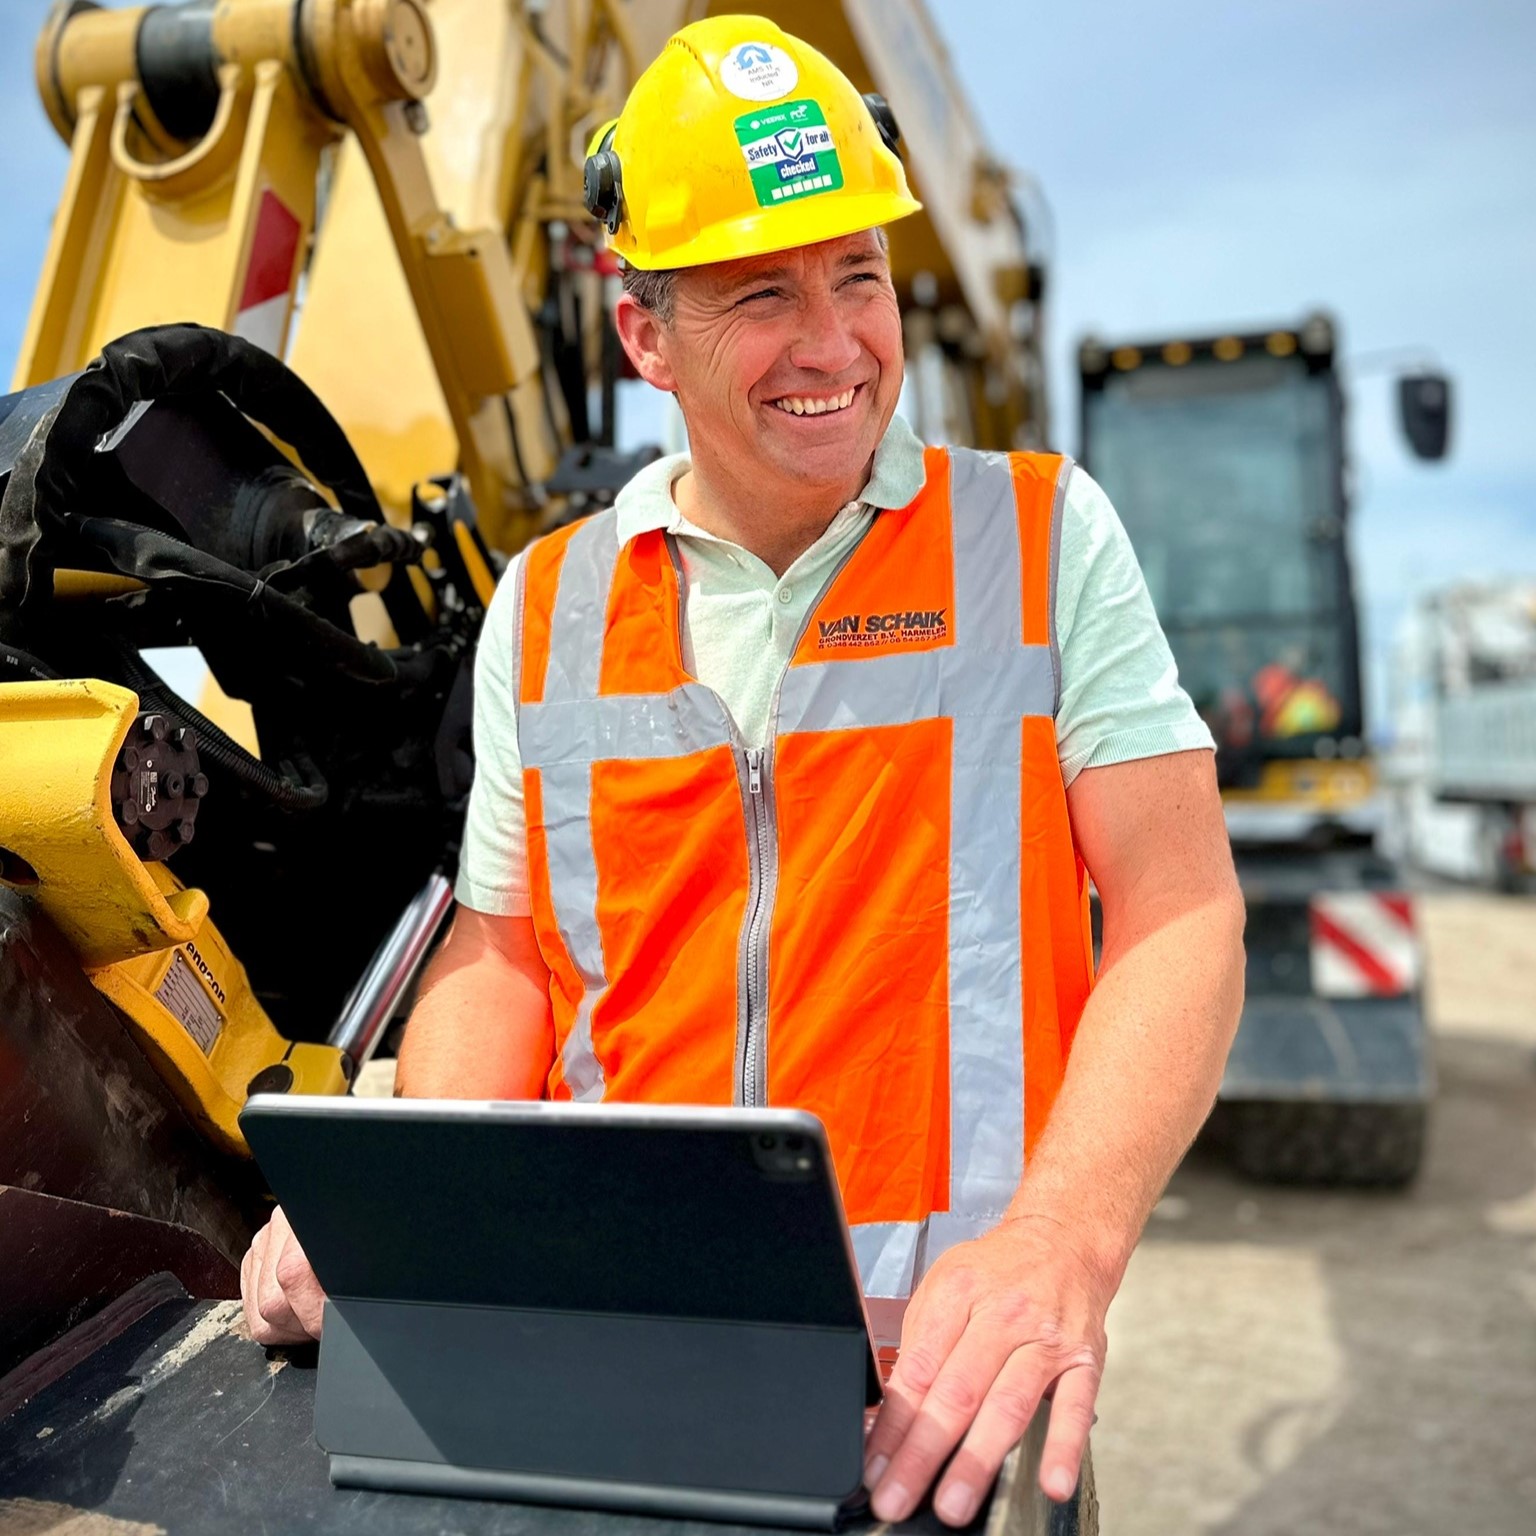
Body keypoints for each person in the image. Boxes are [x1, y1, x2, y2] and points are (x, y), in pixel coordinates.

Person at [241, 16, 1245, 1525]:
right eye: (763, 292)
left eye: (858, 273)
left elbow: (1181, 915)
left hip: (944, 1403)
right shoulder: (552, 602)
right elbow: (506, 952)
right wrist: (413, 1221)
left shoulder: (1038, 541)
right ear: (644, 335)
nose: (836, 341)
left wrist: (1064, 1241)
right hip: (625, 1370)